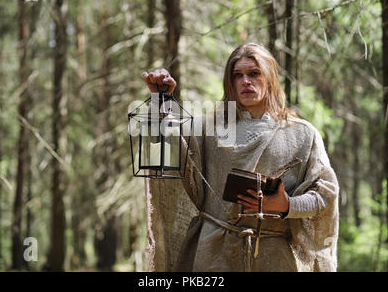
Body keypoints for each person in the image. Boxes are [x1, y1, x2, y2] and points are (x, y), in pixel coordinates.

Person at [142, 42, 339, 272]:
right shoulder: (209, 128)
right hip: (214, 256)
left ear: (270, 78)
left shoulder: (301, 134)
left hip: (273, 257)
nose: (245, 81)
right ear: (230, 82)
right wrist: (162, 100)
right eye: (238, 75)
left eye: (254, 73)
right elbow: (170, 146)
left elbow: (326, 195)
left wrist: (287, 205)